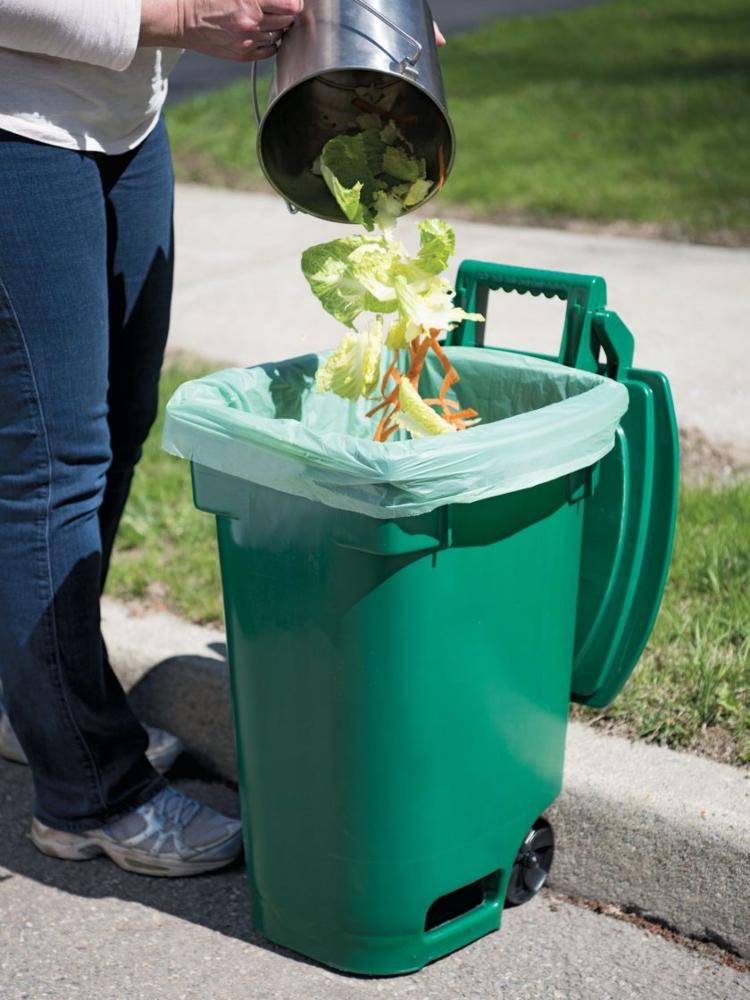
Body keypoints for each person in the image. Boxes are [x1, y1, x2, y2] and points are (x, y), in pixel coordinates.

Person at [0, 0, 445, 879]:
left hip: (123, 115)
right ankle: (89, 791)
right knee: (50, 469)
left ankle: (37, 701)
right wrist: (171, 16)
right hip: (18, 128)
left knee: (116, 428)